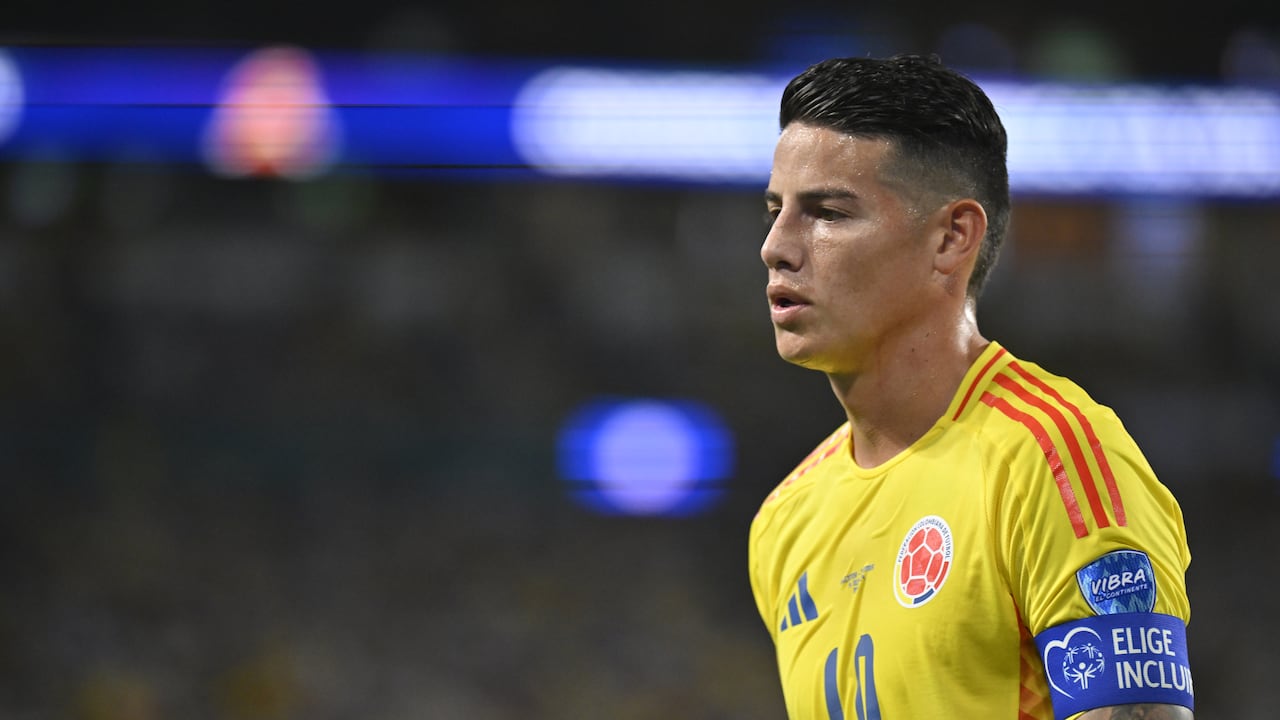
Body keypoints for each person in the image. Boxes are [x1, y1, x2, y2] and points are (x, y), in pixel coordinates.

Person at [747, 55, 1194, 720]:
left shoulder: (1051, 457)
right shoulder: (785, 522)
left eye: (829, 213)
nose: (776, 246)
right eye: (775, 211)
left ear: (952, 238)